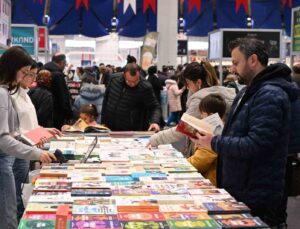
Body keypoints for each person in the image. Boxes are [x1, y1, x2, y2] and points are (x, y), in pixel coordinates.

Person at [190, 38, 300, 227]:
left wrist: (214, 142)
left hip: (258, 195)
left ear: (253, 60)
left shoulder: (270, 95)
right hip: (242, 190)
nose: (232, 69)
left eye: (235, 62)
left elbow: (256, 145)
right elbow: (240, 134)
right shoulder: (248, 92)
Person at [0, 46, 56, 229]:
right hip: (6, 158)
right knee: (8, 212)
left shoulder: (10, 91)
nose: (27, 77)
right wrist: (35, 152)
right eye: (25, 72)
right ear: (12, 68)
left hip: (13, 153)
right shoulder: (3, 93)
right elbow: (4, 137)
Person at [148, 61, 236, 157]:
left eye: (188, 84)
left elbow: (182, 129)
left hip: (205, 153)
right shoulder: (218, 93)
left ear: (198, 82)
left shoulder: (200, 100)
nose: (187, 87)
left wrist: (155, 139)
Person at [101, 63, 161, 131]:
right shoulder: (114, 79)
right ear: (124, 75)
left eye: (136, 81)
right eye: (129, 82)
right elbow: (106, 100)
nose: (132, 84)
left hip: (131, 130)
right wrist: (103, 121)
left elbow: (155, 107)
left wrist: (155, 122)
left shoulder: (145, 87)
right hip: (109, 126)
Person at [187, 94, 227, 186]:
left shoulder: (212, 133)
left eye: (202, 113)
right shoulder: (224, 128)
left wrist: (181, 164)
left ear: (211, 115)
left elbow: (199, 163)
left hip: (210, 181)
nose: (201, 117)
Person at [43, 53, 72, 129]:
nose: (64, 66)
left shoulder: (43, 71)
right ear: (61, 62)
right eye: (64, 64)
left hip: (45, 112)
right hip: (57, 114)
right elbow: (62, 97)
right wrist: (68, 114)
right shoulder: (58, 75)